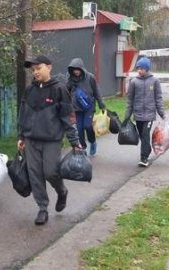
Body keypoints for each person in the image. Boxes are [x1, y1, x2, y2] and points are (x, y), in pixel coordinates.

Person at [17, 55, 82, 225]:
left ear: (49, 67)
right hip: (31, 139)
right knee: (35, 175)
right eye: (33, 69)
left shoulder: (59, 89)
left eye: (39, 68)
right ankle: (42, 208)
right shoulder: (29, 90)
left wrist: (74, 140)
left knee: (50, 171)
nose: (36, 72)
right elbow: (23, 114)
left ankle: (61, 191)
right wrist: (22, 136)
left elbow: (67, 117)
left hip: (52, 139)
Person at [124, 56, 166, 167]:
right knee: (143, 137)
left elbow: (158, 98)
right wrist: (127, 115)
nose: (139, 70)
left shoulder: (155, 81)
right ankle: (147, 150)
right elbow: (130, 99)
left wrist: (162, 113)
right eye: (138, 68)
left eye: (142, 68)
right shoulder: (133, 82)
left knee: (145, 134)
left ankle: (144, 158)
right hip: (137, 115)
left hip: (149, 115)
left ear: (147, 69)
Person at [66, 58, 106, 156]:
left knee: (87, 126)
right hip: (76, 108)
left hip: (89, 107)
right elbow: (65, 92)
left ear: (82, 68)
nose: (76, 71)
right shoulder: (70, 79)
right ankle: (83, 148)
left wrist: (101, 104)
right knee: (79, 129)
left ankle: (92, 142)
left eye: (78, 69)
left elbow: (96, 91)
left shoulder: (90, 77)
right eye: (74, 69)